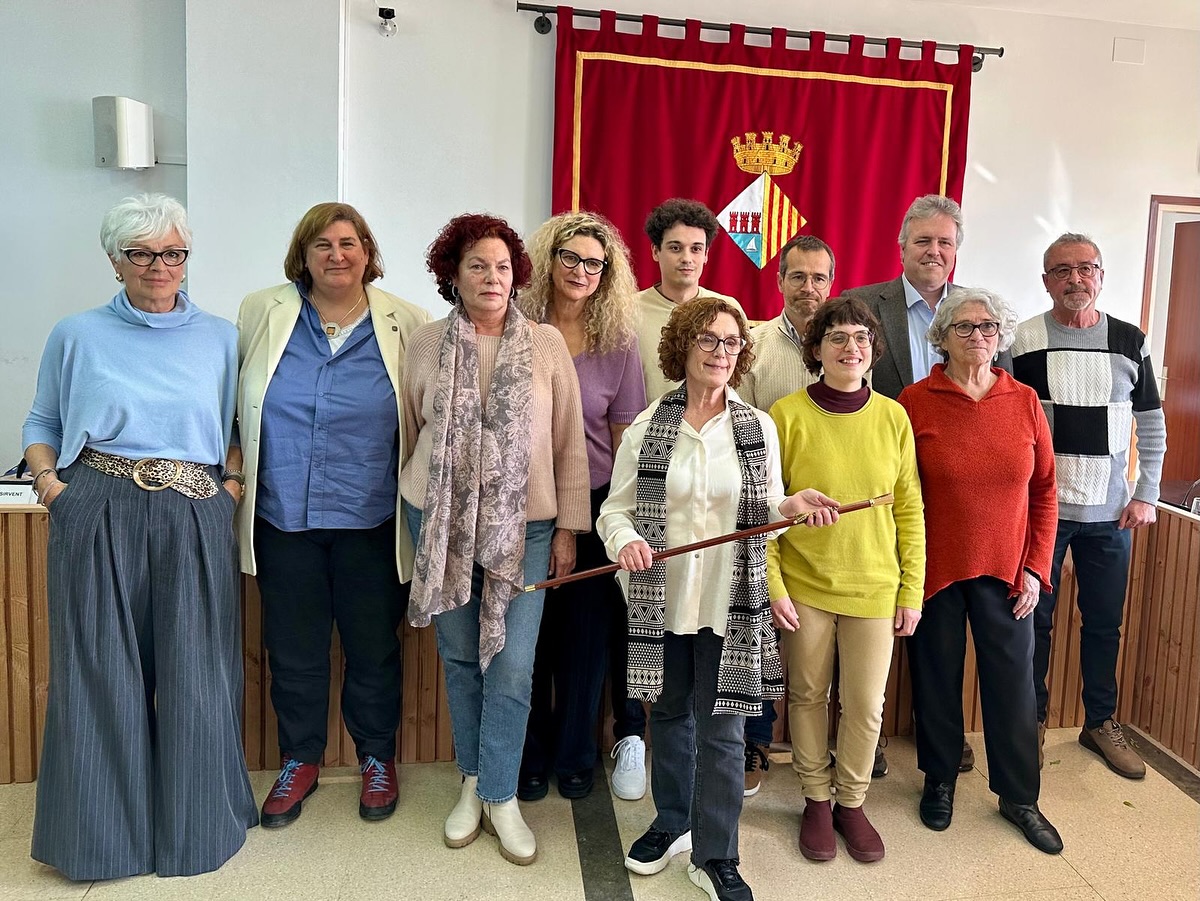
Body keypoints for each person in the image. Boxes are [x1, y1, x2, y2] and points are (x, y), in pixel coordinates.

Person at [22, 193, 256, 879]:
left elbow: (236, 426)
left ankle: (197, 832)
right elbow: (42, 420)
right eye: (142, 253)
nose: (160, 265)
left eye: (173, 252)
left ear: (188, 255)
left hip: (194, 504)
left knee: (197, 673)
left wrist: (229, 488)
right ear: (114, 260)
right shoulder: (76, 333)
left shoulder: (221, 337)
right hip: (95, 499)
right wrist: (52, 487)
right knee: (98, 673)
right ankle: (100, 843)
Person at [598, 296, 839, 901]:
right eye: (707, 339)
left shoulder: (757, 427)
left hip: (731, 604)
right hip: (663, 600)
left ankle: (717, 854)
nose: (720, 352)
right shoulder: (648, 426)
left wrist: (790, 507)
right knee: (669, 717)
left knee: (725, 732)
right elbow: (615, 512)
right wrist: (626, 541)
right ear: (682, 347)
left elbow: (767, 512)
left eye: (731, 342)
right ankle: (673, 821)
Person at [401, 213, 590, 866]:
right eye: (477, 265)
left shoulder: (545, 344)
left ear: (517, 276)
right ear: (452, 275)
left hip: (528, 528)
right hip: (441, 524)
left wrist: (569, 527)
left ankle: (501, 795)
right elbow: (410, 432)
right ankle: (472, 780)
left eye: (503, 266)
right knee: (459, 657)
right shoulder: (425, 343)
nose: (492, 277)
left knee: (511, 663)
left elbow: (567, 442)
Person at [235, 202, 431, 827]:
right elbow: (235, 408)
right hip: (283, 517)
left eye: (348, 243)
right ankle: (300, 760)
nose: (336, 255)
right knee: (294, 650)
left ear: (368, 252)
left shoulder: (407, 321)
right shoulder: (262, 311)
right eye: (321, 244)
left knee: (373, 649)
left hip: (371, 519)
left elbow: (426, 418)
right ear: (303, 254)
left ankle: (376, 758)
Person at [898, 288, 1063, 854]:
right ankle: (939, 779)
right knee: (935, 680)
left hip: (1009, 574)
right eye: (964, 327)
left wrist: (1036, 568)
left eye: (988, 326)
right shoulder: (914, 401)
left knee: (1014, 688)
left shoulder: (1024, 401)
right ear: (941, 337)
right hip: (935, 573)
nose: (978, 336)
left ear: (1001, 335)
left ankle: (1020, 798)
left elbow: (1045, 491)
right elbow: (901, 493)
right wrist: (907, 573)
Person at [768, 296, 925, 864]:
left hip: (876, 586)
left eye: (861, 337)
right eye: (836, 337)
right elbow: (765, 509)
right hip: (805, 583)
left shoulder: (893, 417)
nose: (850, 347)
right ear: (816, 349)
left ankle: (851, 801)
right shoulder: (784, 416)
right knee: (808, 695)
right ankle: (815, 797)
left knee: (865, 704)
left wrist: (911, 590)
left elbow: (909, 509)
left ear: (873, 349)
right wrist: (775, 586)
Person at [844, 193, 997, 771]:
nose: (935, 251)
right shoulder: (862, 304)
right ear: (902, 246)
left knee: (940, 623)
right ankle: (867, 734)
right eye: (924, 240)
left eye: (945, 242)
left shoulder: (978, 315)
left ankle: (942, 731)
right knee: (871, 609)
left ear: (957, 250)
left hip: (955, 498)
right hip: (877, 491)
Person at [1012, 233, 1166, 780]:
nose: (1075, 279)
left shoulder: (1129, 340)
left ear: (1101, 275)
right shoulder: (1021, 341)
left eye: (1086, 268)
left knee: (1104, 623)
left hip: (1111, 515)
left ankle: (1100, 722)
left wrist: (1147, 492)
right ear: (1045, 280)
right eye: (1062, 270)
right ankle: (1028, 722)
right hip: (1041, 514)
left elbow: (1151, 422)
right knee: (1034, 623)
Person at [516, 210, 648, 803]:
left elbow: (624, 438)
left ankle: (575, 755)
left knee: (586, 638)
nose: (581, 271)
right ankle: (528, 754)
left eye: (595, 264)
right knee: (527, 637)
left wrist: (621, 516)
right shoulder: (516, 328)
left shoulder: (617, 343)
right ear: (547, 261)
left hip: (593, 503)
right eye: (570, 257)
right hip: (522, 502)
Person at [738, 234, 846, 795]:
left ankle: (837, 746)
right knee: (759, 628)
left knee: (825, 633)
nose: (809, 287)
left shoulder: (848, 343)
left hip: (832, 518)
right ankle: (755, 740)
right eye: (798, 276)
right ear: (779, 281)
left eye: (819, 277)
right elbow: (738, 425)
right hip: (767, 508)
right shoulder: (754, 345)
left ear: (832, 283)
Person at [633, 198, 744, 401]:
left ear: (706, 254)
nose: (687, 258)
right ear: (655, 251)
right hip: (645, 421)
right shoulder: (627, 311)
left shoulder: (728, 310)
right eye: (676, 248)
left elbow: (739, 380)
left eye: (696, 249)